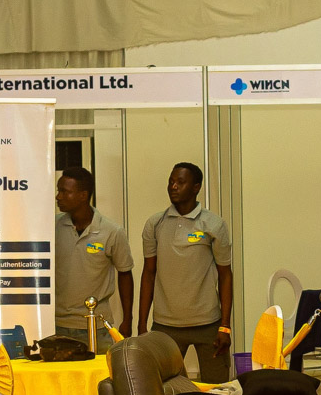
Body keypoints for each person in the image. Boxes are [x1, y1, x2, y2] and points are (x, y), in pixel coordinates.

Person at [137, 162, 234, 381]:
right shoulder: (155, 224)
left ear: (196, 187)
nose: (173, 186)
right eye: (171, 181)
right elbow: (148, 274)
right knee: (162, 390)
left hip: (208, 324)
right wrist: (142, 323)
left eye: (180, 182)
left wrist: (225, 327)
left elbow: (225, 275)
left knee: (218, 390)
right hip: (165, 326)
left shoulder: (213, 224)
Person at [53, 165, 132, 344]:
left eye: (65, 192)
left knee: (102, 373)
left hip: (97, 328)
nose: (58, 197)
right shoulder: (52, 228)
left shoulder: (112, 231)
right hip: (57, 326)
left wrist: (128, 319)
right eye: (59, 191)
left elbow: (125, 274)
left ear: (83, 195)